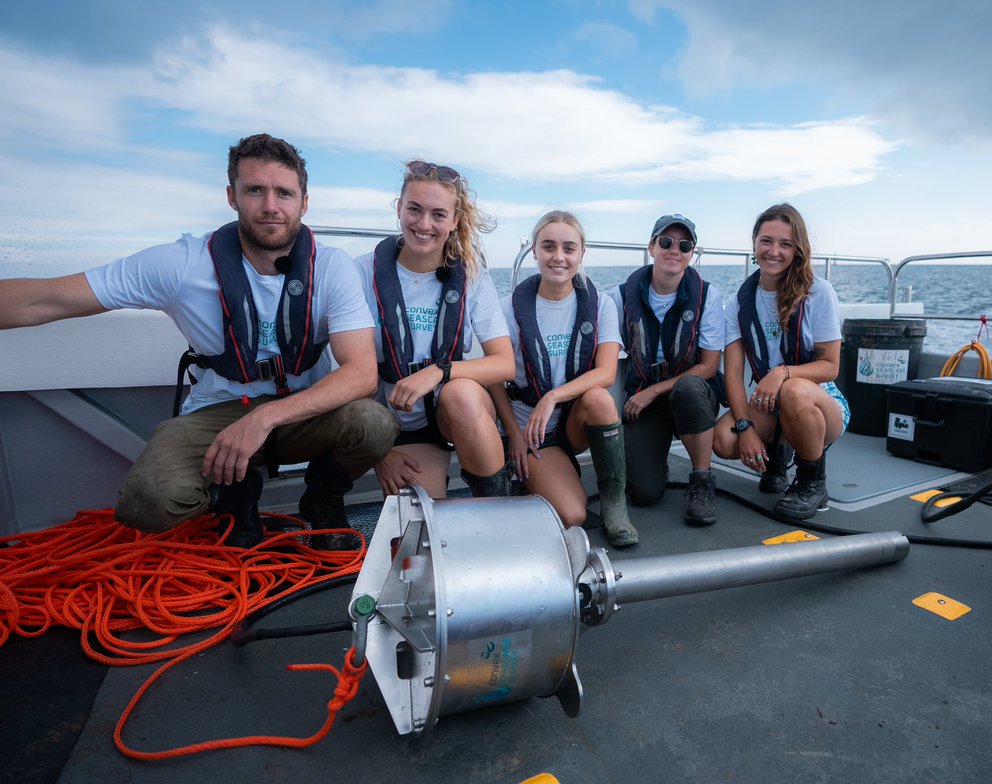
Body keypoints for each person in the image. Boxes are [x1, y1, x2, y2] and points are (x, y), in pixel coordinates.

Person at [0, 133, 398, 548]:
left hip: (299, 412)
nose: (270, 206)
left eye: (284, 193)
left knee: (372, 424)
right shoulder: (184, 264)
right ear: (232, 196)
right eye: (255, 190)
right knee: (148, 502)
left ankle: (323, 498)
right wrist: (247, 420)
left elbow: (360, 374)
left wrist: (264, 418)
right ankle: (236, 497)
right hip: (219, 412)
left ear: (304, 202)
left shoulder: (331, 268)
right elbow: (46, 299)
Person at [358, 159, 514, 500]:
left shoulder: (473, 278)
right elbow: (348, 369)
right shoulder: (359, 274)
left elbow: (504, 364)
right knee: (419, 526)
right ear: (399, 209)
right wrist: (378, 453)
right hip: (396, 427)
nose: (424, 224)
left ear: (454, 221)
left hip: (451, 412)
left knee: (462, 395)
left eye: (438, 214)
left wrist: (438, 371)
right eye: (414, 209)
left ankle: (496, 503)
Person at [489, 211, 639, 547]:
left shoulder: (601, 305)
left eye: (569, 248)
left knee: (600, 398)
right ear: (534, 251)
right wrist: (513, 434)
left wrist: (553, 396)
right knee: (573, 516)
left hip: (569, 425)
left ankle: (615, 504)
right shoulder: (507, 308)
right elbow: (494, 377)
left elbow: (607, 372)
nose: (559, 257)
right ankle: (530, 477)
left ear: (581, 253)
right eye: (549, 246)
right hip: (529, 434)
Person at [713, 203, 851, 523]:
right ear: (754, 243)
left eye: (785, 244)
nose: (774, 251)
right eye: (766, 241)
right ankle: (777, 456)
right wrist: (746, 428)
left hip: (820, 403)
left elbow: (830, 367)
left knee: (792, 391)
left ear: (797, 249)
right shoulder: (739, 303)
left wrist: (782, 373)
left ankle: (812, 482)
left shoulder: (818, 292)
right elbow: (732, 375)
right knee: (723, 439)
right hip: (769, 404)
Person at [611, 214, 725, 526]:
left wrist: (654, 390)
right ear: (652, 247)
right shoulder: (621, 296)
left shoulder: (708, 297)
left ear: (692, 254)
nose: (675, 250)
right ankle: (654, 459)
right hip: (644, 402)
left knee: (686, 387)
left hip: (692, 396)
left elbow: (709, 366)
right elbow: (605, 349)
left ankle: (702, 479)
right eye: (666, 242)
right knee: (643, 494)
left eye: (684, 245)